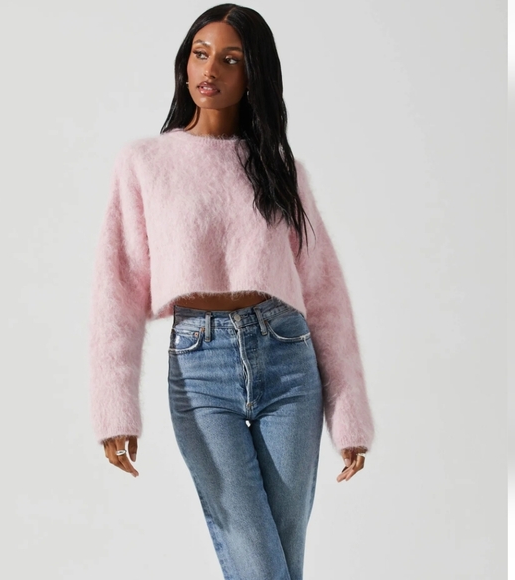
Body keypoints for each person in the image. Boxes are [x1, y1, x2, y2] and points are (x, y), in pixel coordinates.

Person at [88, 4, 376, 579]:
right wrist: (114, 408)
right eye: (200, 54)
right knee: (257, 557)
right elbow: (116, 290)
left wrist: (349, 417)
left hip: (288, 360)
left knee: (283, 554)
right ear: (184, 63)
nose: (210, 69)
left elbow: (324, 292)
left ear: (254, 74)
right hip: (201, 369)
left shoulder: (279, 166)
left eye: (230, 58)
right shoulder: (145, 163)